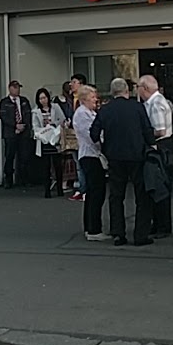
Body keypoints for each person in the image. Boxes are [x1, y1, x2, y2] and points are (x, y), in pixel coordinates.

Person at [90, 77, 155, 246]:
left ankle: (118, 233)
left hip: (115, 156)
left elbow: (94, 134)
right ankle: (141, 234)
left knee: (116, 195)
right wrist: (152, 145)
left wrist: (104, 144)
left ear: (112, 92)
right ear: (127, 90)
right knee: (142, 195)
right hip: (136, 155)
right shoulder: (137, 107)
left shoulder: (106, 110)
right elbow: (147, 130)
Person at [138, 75, 173, 237]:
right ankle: (158, 223)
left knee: (160, 186)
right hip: (161, 146)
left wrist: (143, 134)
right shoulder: (153, 102)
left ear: (144, 88)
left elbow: (160, 130)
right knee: (157, 185)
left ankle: (163, 226)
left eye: (138, 87)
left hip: (160, 146)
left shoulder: (156, 103)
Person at [73, 85, 108, 240]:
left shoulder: (90, 113)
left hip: (93, 155)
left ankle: (91, 227)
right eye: (93, 97)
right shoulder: (82, 114)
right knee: (96, 191)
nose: (96, 99)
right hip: (90, 155)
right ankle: (94, 229)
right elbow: (92, 135)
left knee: (95, 192)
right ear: (84, 98)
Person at [32, 87, 66, 198]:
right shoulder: (36, 111)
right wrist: (44, 130)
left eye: (44, 97)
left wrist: (54, 125)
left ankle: (60, 188)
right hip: (44, 141)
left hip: (55, 139)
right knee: (45, 167)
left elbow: (62, 120)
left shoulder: (55, 107)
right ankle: (47, 190)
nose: (43, 100)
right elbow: (35, 127)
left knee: (58, 166)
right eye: (40, 98)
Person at [0, 80, 31, 189]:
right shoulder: (4, 102)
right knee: (9, 156)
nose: (17, 90)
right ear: (10, 88)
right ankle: (8, 180)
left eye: (18, 88)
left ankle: (24, 179)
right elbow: (3, 117)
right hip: (10, 134)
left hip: (23, 133)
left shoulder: (24, 101)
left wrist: (23, 125)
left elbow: (28, 114)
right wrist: (15, 125)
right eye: (15, 87)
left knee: (24, 156)